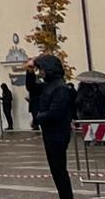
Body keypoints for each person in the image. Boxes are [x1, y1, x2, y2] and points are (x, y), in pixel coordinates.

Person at [33, 55, 74, 199]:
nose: (40, 73)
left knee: (59, 169)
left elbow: (55, 112)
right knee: (55, 170)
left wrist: (38, 118)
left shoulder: (60, 87)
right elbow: (31, 87)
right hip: (49, 132)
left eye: (41, 69)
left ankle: (66, 196)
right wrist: (29, 71)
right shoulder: (48, 85)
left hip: (58, 134)